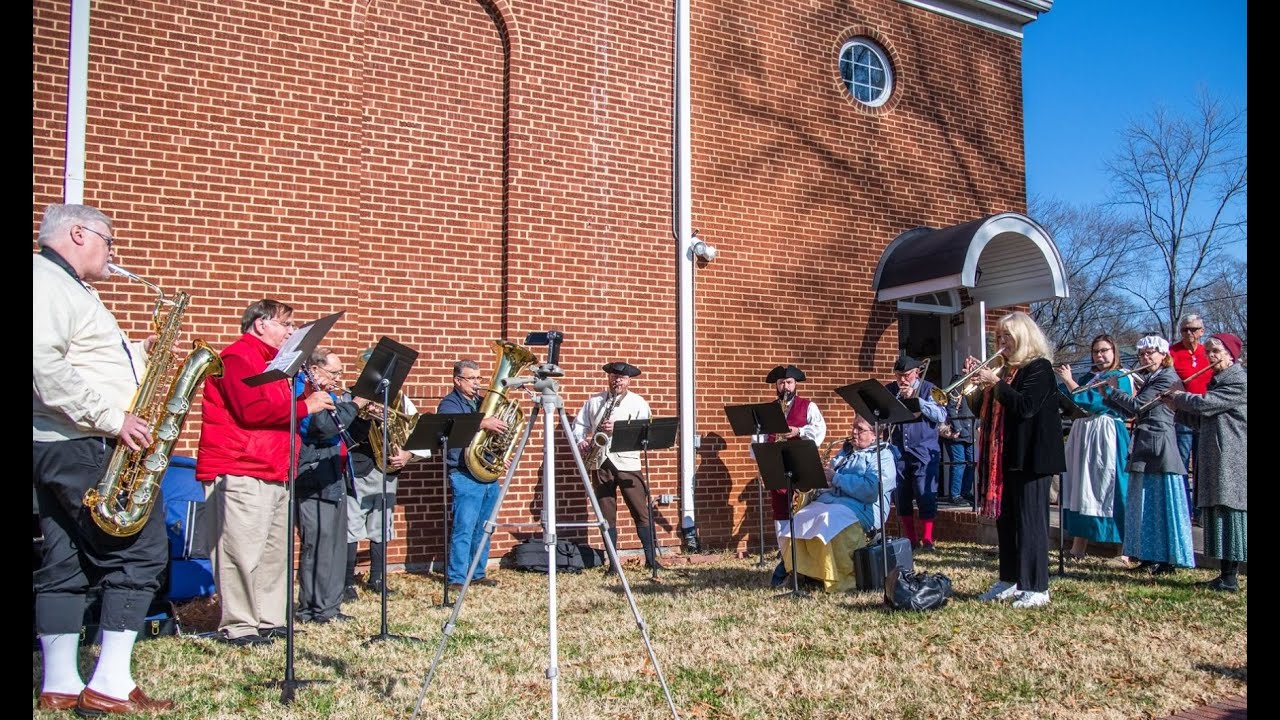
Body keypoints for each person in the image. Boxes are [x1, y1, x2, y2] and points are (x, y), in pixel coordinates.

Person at [32, 203, 177, 713]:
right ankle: (111, 683)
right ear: (77, 233)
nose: (113, 253)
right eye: (108, 240)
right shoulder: (46, 281)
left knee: (65, 560)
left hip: (61, 444)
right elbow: (41, 363)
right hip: (83, 443)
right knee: (139, 551)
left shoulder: (69, 289)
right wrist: (113, 419)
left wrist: (139, 351)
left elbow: (82, 359)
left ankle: (61, 684)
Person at [196, 300, 335, 645]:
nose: (290, 332)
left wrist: (307, 385)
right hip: (241, 467)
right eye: (285, 325)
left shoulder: (277, 363)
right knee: (241, 551)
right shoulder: (238, 357)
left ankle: (270, 618)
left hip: (275, 467)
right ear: (260, 324)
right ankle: (240, 625)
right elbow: (252, 410)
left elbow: (279, 404)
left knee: (275, 551)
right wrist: (306, 405)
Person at [968, 311, 1066, 609]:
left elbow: (1025, 407)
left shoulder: (1039, 368)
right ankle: (1009, 579)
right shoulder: (1005, 371)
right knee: (1007, 522)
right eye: (998, 337)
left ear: (1024, 337)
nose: (1002, 342)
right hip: (1006, 458)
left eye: (1007, 336)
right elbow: (983, 414)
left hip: (1032, 458)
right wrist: (979, 388)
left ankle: (1036, 586)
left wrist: (995, 383)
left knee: (1030, 522)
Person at [1102, 336, 1194, 575]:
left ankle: (1166, 558)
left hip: (1159, 446)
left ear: (1163, 355)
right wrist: (1107, 396)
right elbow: (1130, 410)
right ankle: (1148, 554)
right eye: (1142, 354)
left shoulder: (1166, 377)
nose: (1145, 358)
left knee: (1159, 503)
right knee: (1144, 504)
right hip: (1144, 444)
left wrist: (1111, 390)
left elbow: (1138, 405)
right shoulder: (1150, 378)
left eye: (1151, 353)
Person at [780, 416, 897, 592]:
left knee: (829, 519)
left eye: (860, 429)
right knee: (800, 517)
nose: (854, 432)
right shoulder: (846, 452)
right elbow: (830, 480)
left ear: (875, 435)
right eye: (853, 428)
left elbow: (871, 490)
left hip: (865, 508)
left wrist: (836, 478)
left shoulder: (883, 456)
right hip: (835, 501)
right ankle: (801, 573)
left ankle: (839, 577)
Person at [1167, 333, 1246, 592]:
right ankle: (1224, 575)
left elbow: (1206, 405)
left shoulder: (1237, 381)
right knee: (1217, 515)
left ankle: (1231, 577)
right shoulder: (1217, 381)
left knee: (1230, 515)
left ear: (1231, 355)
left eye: (1216, 351)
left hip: (1231, 458)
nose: (1211, 357)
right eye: (1208, 352)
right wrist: (1175, 409)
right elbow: (1201, 420)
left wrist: (1179, 396)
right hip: (1214, 456)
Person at [294, 347, 365, 623]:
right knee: (318, 543)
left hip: (334, 476)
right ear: (314, 370)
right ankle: (314, 609)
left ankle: (329, 607)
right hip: (314, 477)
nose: (338, 378)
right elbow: (320, 427)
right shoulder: (304, 393)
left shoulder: (330, 396)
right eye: (334, 373)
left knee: (334, 545)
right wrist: (356, 404)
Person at [1054, 335, 1133, 562]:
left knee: (1112, 486)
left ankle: (1124, 551)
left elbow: (1097, 402)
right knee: (1082, 488)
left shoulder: (1121, 376)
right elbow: (1072, 400)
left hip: (1106, 434)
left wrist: (1070, 382)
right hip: (1083, 434)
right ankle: (1078, 546)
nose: (1100, 355)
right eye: (1096, 352)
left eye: (1104, 350)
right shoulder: (1090, 377)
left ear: (1114, 351)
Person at [572, 362, 659, 568]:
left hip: (627, 462)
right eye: (613, 376)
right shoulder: (594, 401)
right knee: (606, 514)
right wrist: (581, 440)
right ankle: (613, 564)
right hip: (600, 461)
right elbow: (579, 425)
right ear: (609, 378)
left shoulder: (638, 402)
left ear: (629, 380)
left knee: (641, 511)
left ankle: (651, 560)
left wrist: (618, 429)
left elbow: (646, 431)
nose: (617, 380)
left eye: (622, 377)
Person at [344, 387, 423, 600]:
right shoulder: (352, 395)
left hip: (387, 470)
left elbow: (415, 429)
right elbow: (344, 432)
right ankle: (347, 583)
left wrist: (407, 454)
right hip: (360, 469)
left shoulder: (398, 398)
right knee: (352, 526)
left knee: (381, 526)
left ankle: (377, 579)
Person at [439, 358, 508, 591]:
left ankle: (478, 572)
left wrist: (501, 454)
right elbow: (450, 426)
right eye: (472, 379)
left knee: (485, 527)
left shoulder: (482, 402)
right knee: (464, 527)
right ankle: (457, 577)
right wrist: (482, 422)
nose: (477, 383)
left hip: (487, 472)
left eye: (479, 378)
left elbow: (494, 438)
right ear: (457, 380)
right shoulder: (449, 404)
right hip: (464, 473)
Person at [759, 364, 826, 585]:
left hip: (800, 465)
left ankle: (805, 563)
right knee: (779, 511)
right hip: (776, 464)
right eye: (781, 383)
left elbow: (819, 431)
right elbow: (757, 439)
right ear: (776, 386)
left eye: (788, 382)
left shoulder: (808, 406)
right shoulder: (768, 409)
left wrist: (799, 431)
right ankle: (786, 557)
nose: (785, 386)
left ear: (795, 384)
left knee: (802, 512)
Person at [886, 356, 947, 551]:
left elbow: (941, 415)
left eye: (905, 376)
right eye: (898, 376)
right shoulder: (891, 391)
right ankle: (911, 540)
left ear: (916, 373)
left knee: (924, 494)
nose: (901, 380)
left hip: (924, 451)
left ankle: (928, 540)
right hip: (899, 450)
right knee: (902, 495)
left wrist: (917, 400)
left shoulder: (929, 388)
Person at [1168, 313, 1213, 521]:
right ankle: (1183, 509)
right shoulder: (1173, 352)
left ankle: (1201, 511)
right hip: (1183, 415)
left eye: (1193, 329)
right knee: (1182, 462)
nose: (1189, 333)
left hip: (1205, 414)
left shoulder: (1209, 353)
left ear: (1202, 331)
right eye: (1185, 329)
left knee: (1203, 464)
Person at [938, 372, 977, 505]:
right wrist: (958, 428)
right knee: (959, 463)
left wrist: (977, 425)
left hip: (969, 432)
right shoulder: (958, 385)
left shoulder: (974, 387)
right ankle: (955, 495)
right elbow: (951, 408)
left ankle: (966, 492)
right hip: (957, 434)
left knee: (971, 463)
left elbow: (974, 410)